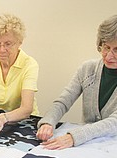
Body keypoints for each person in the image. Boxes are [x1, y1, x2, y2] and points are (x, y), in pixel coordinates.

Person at [36, 15, 117, 150]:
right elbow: (64, 101)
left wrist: (74, 137)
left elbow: (114, 122)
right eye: (106, 47)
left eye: (116, 50)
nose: (108, 56)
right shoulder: (87, 69)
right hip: (86, 144)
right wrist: (48, 122)